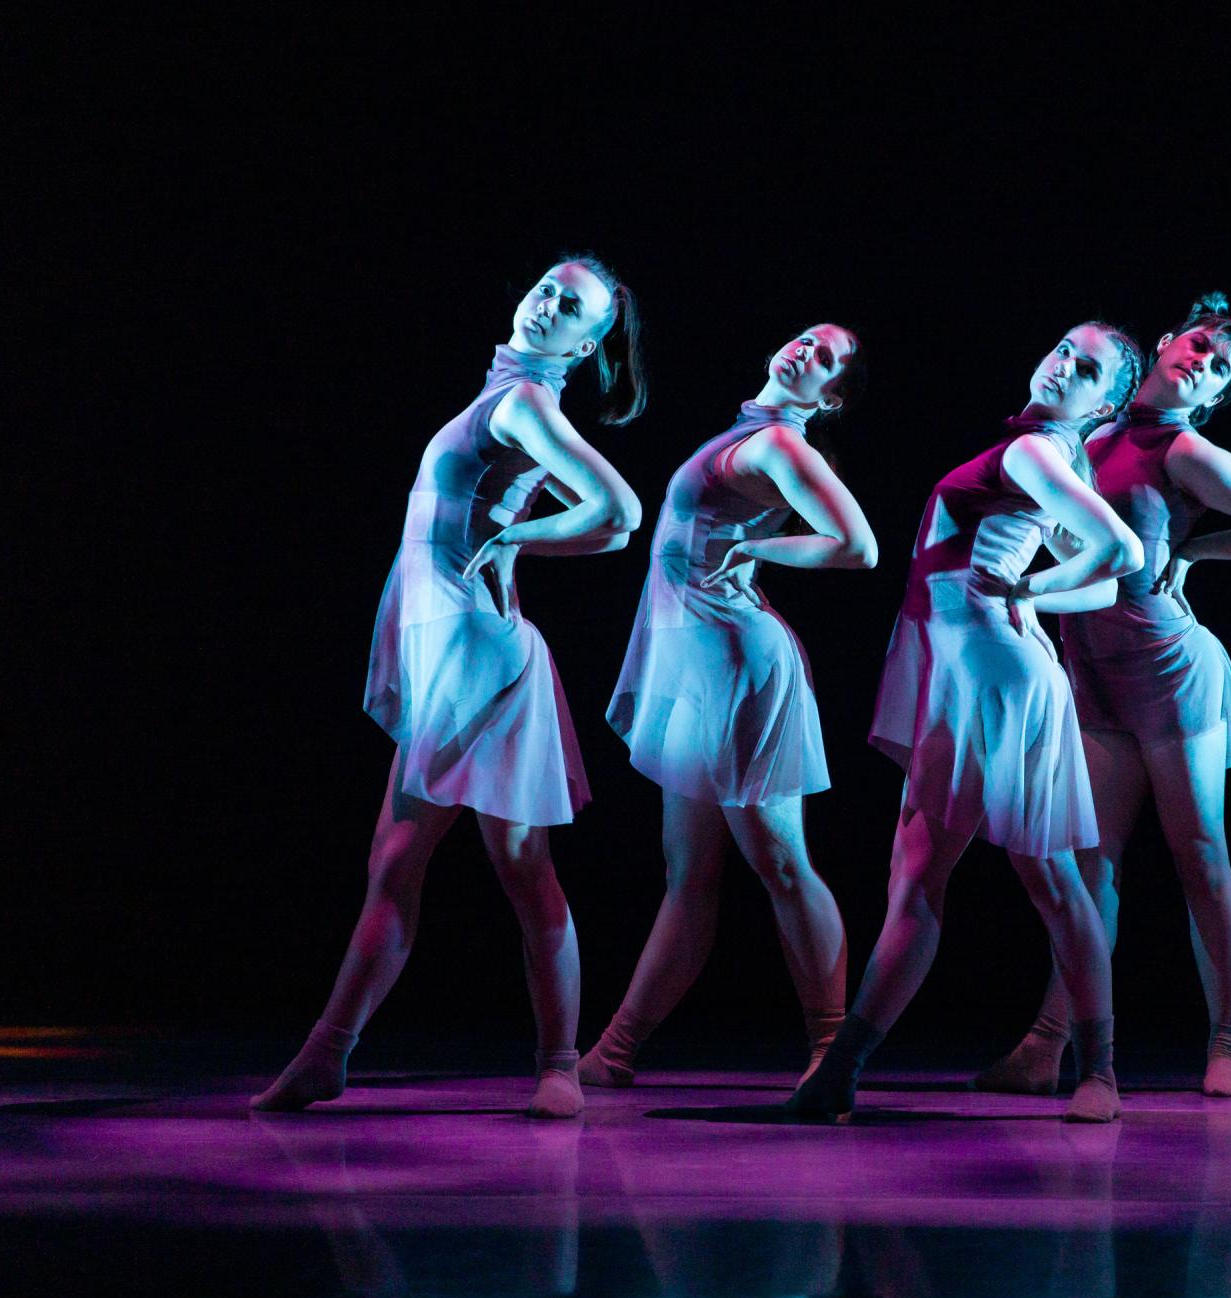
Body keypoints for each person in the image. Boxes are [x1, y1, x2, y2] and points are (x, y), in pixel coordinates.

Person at [252, 256, 647, 1118]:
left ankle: (554, 1064)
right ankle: (337, 1054)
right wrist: (509, 539)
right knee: (441, 862)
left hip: (479, 658)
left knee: (499, 863)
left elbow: (619, 514)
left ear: (584, 346)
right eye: (547, 286)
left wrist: (517, 541)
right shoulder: (502, 397)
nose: (549, 303)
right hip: (453, 652)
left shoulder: (525, 404)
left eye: (571, 306)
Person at [788, 323, 1146, 1124]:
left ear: (1107, 402)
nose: (1062, 364)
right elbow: (1095, 585)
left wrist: (1018, 596)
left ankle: (847, 1070)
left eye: (1086, 368)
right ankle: (845, 1071)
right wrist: (1031, 594)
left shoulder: (1036, 453)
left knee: (963, 877)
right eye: (1061, 348)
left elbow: (1119, 555)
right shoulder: (1052, 458)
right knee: (988, 877)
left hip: (987, 673)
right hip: (984, 665)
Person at [974, 293, 1231, 1099]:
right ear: (1165, 344)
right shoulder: (1087, 431)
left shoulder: (1184, 448)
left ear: (1213, 395)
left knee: (1200, 852)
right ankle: (1051, 1042)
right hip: (1092, 665)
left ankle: (1226, 1044)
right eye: (1198, 345)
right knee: (1090, 862)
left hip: (1166, 669)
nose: (1200, 361)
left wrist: (1196, 555)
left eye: (1217, 367)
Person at [581, 325, 876, 1087]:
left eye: (825, 358)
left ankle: (830, 1048)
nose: (804, 350)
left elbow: (858, 545)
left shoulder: (781, 444)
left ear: (831, 394)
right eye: (806, 338)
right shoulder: (750, 435)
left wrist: (757, 553)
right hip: (701, 669)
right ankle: (614, 1051)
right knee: (690, 873)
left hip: (739, 668)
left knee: (779, 859)